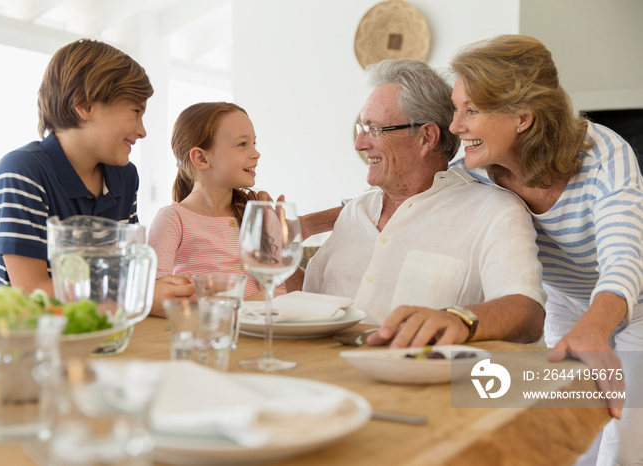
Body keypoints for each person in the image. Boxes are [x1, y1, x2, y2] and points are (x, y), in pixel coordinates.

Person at [449, 34, 638, 463]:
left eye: (471, 111)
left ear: (522, 118)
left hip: (635, 304)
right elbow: (401, 201)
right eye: (457, 108)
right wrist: (304, 223)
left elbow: (624, 257)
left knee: (622, 443)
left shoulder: (605, 157)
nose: (455, 126)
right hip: (568, 304)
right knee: (571, 434)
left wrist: (595, 327)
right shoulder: (475, 170)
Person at [302, 58, 546, 348]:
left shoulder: (494, 212)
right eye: (361, 129)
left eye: (374, 129)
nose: (360, 144)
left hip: (421, 384)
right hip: (325, 380)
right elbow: (309, 303)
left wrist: (458, 319)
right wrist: (275, 257)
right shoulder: (355, 212)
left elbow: (527, 313)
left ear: (426, 137)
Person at [0, 39, 194, 306]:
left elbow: (125, 273)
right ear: (84, 105)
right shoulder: (22, 171)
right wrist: (141, 296)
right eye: (136, 111)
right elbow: (31, 292)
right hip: (22, 338)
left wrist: (158, 286)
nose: (142, 131)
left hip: (96, 328)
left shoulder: (125, 177)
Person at [147, 102, 294, 316]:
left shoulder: (260, 216)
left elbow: (276, 292)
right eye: (242, 144)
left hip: (257, 331)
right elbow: (159, 293)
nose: (256, 153)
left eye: (254, 143)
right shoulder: (173, 219)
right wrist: (248, 304)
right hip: (205, 330)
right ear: (201, 158)